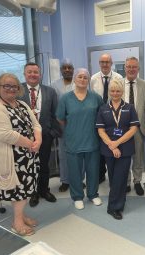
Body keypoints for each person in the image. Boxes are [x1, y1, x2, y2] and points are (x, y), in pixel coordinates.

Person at [0, 73, 41, 236]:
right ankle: (17, 222)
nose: (11, 89)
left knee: (25, 190)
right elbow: (5, 134)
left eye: (14, 86)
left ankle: (21, 216)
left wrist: (38, 140)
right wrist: (31, 144)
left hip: (28, 155)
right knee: (17, 190)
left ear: (19, 88)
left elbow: (36, 124)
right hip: (12, 157)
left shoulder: (22, 104)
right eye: (6, 86)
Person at [56, 68, 103, 210]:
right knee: (74, 171)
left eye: (85, 77)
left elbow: (101, 118)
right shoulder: (65, 98)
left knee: (93, 170)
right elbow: (60, 118)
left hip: (92, 140)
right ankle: (77, 196)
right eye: (80, 77)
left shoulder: (96, 98)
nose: (82, 79)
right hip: (73, 141)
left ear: (88, 81)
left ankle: (93, 194)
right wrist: (73, 129)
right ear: (75, 79)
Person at [96, 79, 139, 220]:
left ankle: (114, 207)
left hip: (125, 148)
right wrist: (111, 144)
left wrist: (117, 143)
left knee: (120, 177)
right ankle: (118, 202)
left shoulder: (130, 107)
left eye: (118, 91)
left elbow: (133, 129)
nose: (115, 93)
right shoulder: (103, 108)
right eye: (112, 90)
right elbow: (101, 130)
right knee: (114, 177)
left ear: (122, 92)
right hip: (108, 148)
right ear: (109, 92)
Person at [19, 62, 60, 207]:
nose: (32, 75)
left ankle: (44, 190)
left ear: (40, 74)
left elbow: (56, 114)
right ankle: (32, 193)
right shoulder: (18, 90)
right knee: (29, 165)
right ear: (24, 74)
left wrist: (53, 132)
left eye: (35, 72)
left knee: (44, 164)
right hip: (24, 137)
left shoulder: (50, 91)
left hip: (45, 136)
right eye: (29, 72)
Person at [91, 53, 123, 184]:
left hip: (115, 119)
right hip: (99, 117)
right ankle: (101, 174)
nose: (105, 64)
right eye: (102, 62)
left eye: (107, 62)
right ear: (99, 63)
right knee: (100, 148)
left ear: (111, 63)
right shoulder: (93, 79)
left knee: (115, 146)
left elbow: (122, 96)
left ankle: (116, 177)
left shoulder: (118, 77)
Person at [120, 56, 145, 196]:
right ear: (125, 68)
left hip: (138, 127)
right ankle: (126, 182)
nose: (131, 69)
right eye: (129, 66)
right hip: (123, 129)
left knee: (138, 157)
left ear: (138, 69)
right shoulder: (117, 83)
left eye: (134, 67)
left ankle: (137, 181)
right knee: (125, 156)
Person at [51, 59, 75, 192]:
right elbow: (53, 106)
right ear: (61, 70)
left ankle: (77, 179)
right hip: (62, 126)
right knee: (63, 153)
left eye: (69, 67)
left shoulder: (79, 83)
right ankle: (65, 180)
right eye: (64, 68)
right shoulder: (54, 85)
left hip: (77, 126)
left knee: (77, 153)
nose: (67, 70)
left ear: (73, 69)